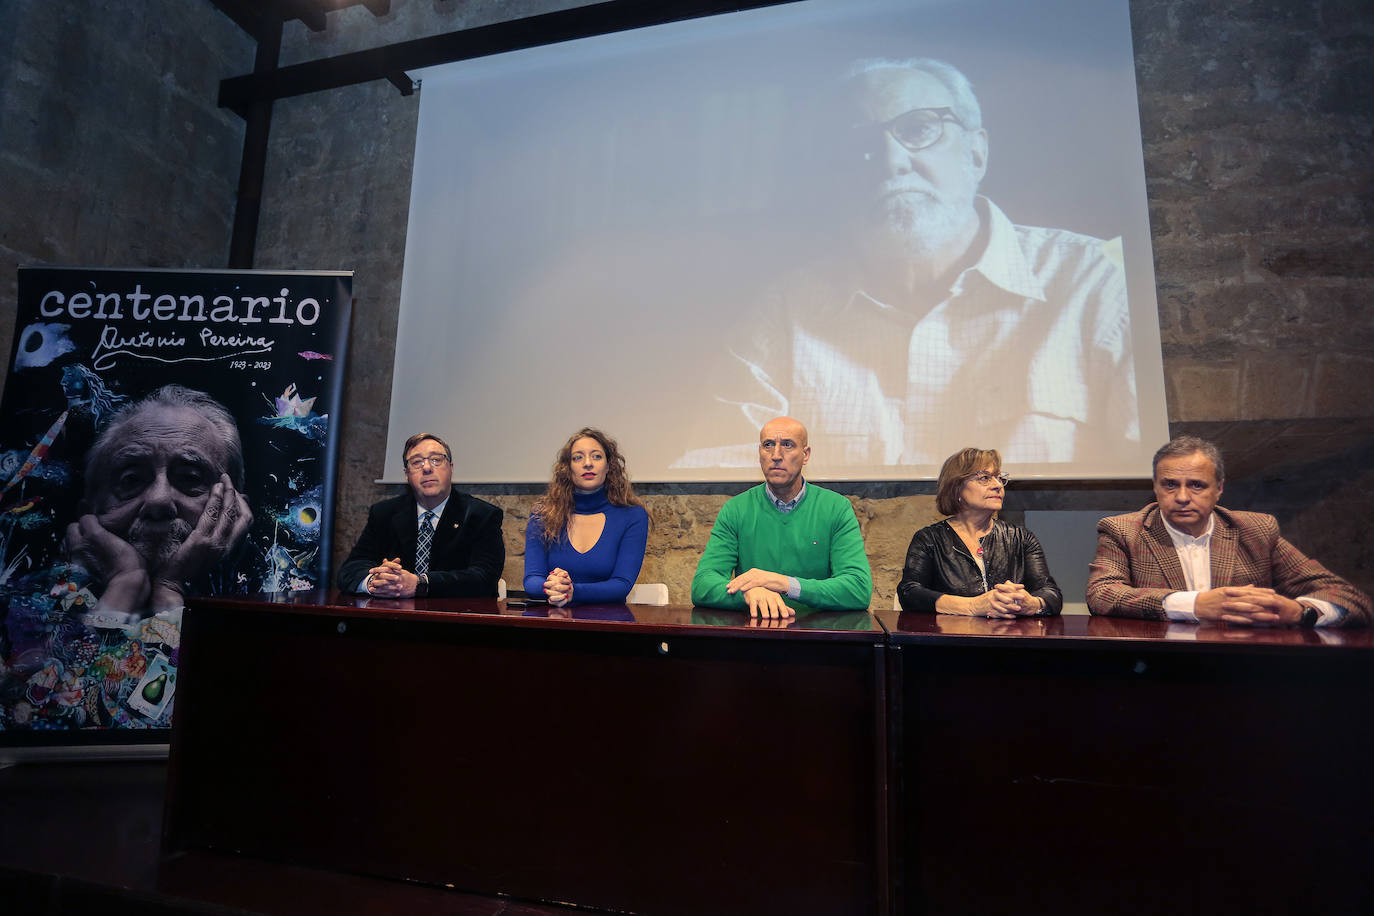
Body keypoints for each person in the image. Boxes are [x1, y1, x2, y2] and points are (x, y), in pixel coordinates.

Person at [678, 56, 1136, 469]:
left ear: (977, 152)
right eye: (860, 146)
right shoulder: (783, 312)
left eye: (918, 129)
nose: (890, 161)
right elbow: (719, 478)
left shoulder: (1096, 283)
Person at [1086, 436, 1371, 627]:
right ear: (1155, 487)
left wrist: (1300, 612)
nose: (1182, 496)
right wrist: (1195, 604)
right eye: (1170, 484)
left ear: (1219, 489)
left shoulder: (1255, 530)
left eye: (1197, 485)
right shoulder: (1123, 530)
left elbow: (1349, 597)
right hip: (1160, 665)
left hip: (1245, 666)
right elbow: (1102, 594)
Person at [66, 384, 253, 615]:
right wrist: (126, 584)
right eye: (132, 480)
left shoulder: (270, 605)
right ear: (88, 512)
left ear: (234, 510)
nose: (159, 500)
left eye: (189, 477)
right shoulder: (33, 600)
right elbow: (66, 652)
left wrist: (168, 589)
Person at [690, 416, 872, 618]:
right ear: (759, 453)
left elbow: (858, 588)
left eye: (787, 445)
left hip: (816, 636)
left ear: (805, 455)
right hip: (754, 635)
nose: (776, 455)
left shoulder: (836, 508)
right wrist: (748, 593)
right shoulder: (736, 509)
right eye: (768, 445)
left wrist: (785, 584)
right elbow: (702, 584)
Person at [897, 447, 1061, 617]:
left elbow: (1051, 593)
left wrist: (1032, 604)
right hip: (953, 639)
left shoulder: (1021, 538)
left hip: (1008, 639)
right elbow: (909, 593)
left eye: (999, 478)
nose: (998, 485)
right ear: (957, 488)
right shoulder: (929, 539)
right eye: (985, 478)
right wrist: (972, 606)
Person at [337, 433, 503, 599]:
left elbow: (484, 577)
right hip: (393, 618)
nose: (427, 468)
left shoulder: (482, 515)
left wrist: (420, 584)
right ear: (407, 474)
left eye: (436, 460)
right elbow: (350, 569)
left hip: (456, 619)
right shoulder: (384, 513)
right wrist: (377, 581)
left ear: (451, 468)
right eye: (417, 462)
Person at [523, 427, 649, 606]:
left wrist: (573, 591)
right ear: (568, 468)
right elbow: (532, 580)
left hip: (608, 626)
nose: (588, 463)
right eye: (578, 457)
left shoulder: (632, 516)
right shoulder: (542, 514)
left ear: (608, 466)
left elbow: (621, 584)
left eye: (596, 456)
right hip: (553, 622)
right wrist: (552, 587)